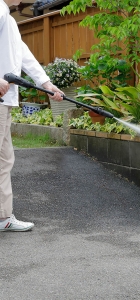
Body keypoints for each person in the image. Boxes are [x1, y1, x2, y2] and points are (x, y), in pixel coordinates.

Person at [0, 0, 63, 231]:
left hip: (5, 101)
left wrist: (47, 84)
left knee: (4, 160)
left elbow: (23, 55)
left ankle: (3, 217)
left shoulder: (9, 20)